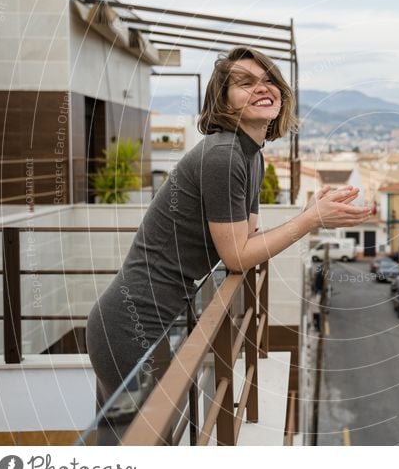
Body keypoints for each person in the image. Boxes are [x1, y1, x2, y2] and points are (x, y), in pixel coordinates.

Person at [86, 46, 372, 417]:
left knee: (156, 433)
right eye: (245, 82)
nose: (262, 87)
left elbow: (246, 242)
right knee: (140, 438)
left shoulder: (252, 156)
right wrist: (311, 220)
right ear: (223, 101)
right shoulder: (223, 155)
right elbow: (236, 256)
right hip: (129, 325)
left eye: (270, 80)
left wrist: (306, 213)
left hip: (156, 319)